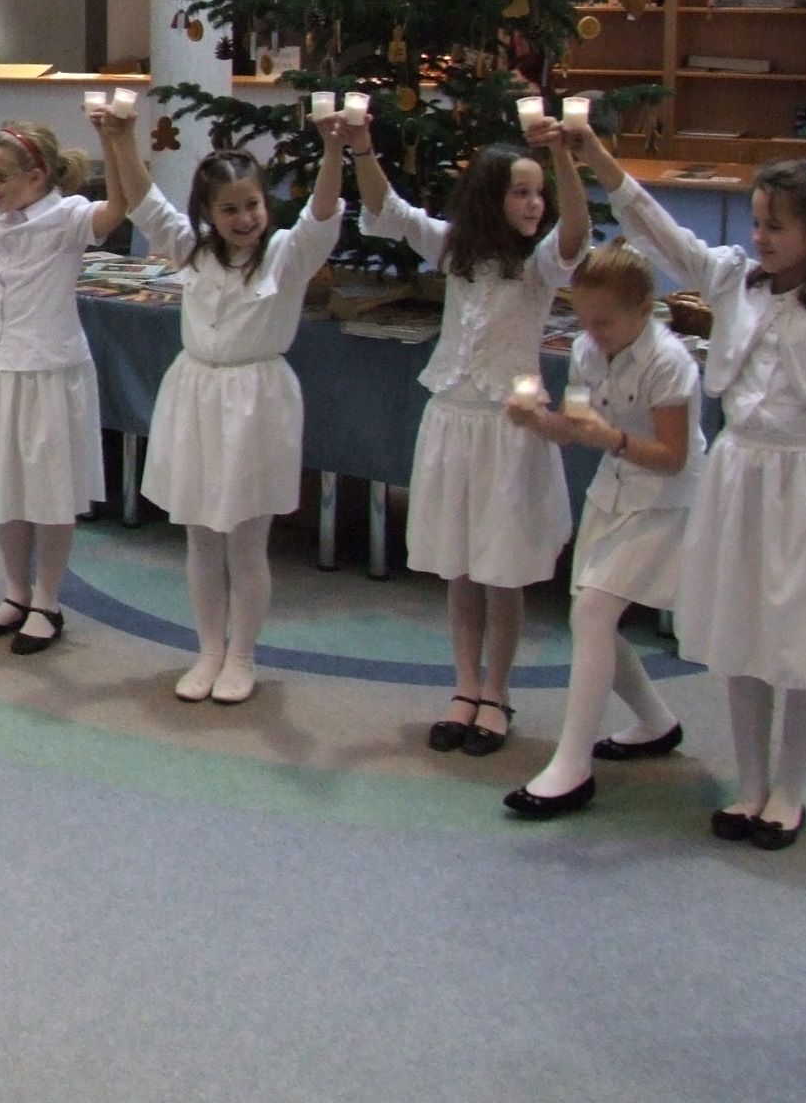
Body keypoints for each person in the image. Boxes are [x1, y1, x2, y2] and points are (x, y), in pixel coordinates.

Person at [579, 127, 806, 847]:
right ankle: (751, 785)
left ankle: (790, 791)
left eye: (774, 226)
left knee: (802, 636)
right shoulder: (733, 278)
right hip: (738, 473)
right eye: (757, 222)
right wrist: (598, 157)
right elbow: (659, 232)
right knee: (743, 631)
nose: (759, 237)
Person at [352, 118, 591, 755]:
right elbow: (388, 209)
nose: (534, 205)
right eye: (521, 193)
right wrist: (363, 148)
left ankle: (498, 692)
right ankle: (464, 685)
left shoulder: (539, 265)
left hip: (508, 431)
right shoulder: (455, 249)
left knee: (501, 572)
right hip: (453, 422)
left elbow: (575, 231)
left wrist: (563, 158)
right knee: (461, 568)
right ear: (491, 197)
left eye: (538, 193)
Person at [114, 109, 347, 704]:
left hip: (255, 403)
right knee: (201, 537)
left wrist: (334, 148)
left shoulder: (286, 255)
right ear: (209, 214)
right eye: (229, 209)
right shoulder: (192, 251)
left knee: (245, 540)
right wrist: (118, 137)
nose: (244, 219)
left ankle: (242, 654)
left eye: (253, 205)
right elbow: (145, 202)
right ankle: (208, 650)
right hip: (195, 396)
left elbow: (322, 216)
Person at [499, 241, 704, 818]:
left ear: (643, 308)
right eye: (584, 319)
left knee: (592, 613)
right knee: (590, 618)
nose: (592, 332)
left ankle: (572, 766)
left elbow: (673, 457)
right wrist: (533, 420)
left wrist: (610, 439)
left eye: (605, 321)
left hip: (666, 499)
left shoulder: (670, 362)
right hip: (612, 490)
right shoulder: (587, 350)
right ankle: (656, 722)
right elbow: (574, 427)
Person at [0, 98, 131, 653]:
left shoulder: (68, 217)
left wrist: (112, 139)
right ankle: (16, 592)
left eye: (2, 177)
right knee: (6, 486)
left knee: (48, 489)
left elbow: (120, 205)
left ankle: (48, 599)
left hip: (48, 368)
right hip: (0, 363)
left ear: (36, 176)